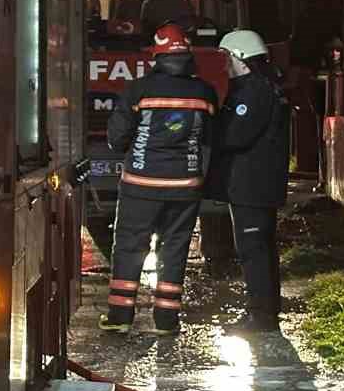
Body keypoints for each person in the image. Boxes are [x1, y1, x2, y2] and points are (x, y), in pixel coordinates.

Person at [101, 22, 220, 335]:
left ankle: (120, 316)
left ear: (157, 56)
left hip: (142, 185)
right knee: (175, 248)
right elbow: (210, 140)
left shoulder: (138, 90)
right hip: (185, 187)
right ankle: (167, 320)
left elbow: (117, 138)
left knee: (130, 246)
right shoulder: (205, 93)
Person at [209, 29, 291, 333]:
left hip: (251, 185)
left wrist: (210, 128)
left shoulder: (252, 91)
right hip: (259, 183)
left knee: (253, 250)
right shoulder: (266, 86)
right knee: (262, 248)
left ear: (240, 57)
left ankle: (260, 316)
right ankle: (266, 312)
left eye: (227, 57)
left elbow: (236, 135)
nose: (224, 64)